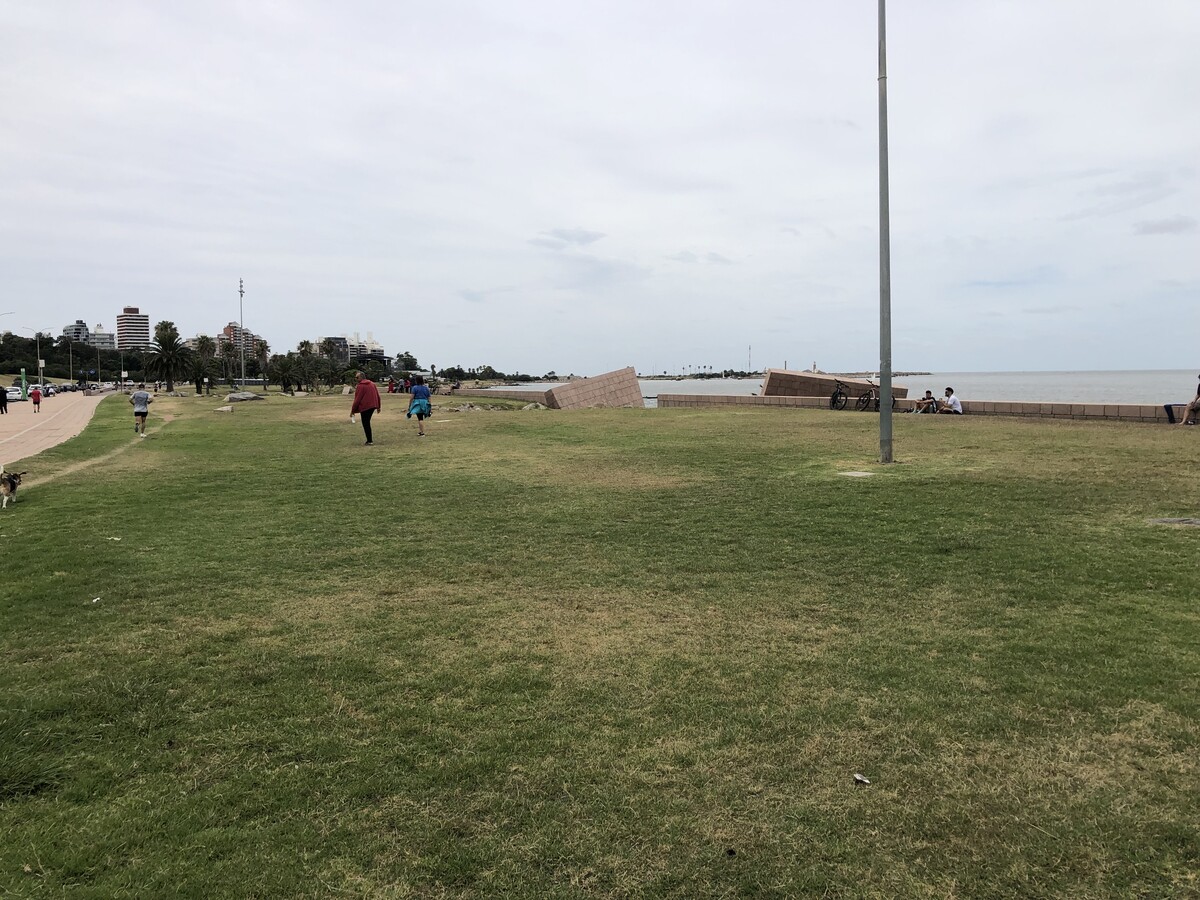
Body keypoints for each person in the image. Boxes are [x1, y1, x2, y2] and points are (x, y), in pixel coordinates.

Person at [350, 370, 381, 445]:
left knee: (366, 423)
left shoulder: (360, 386)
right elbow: (377, 395)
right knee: (367, 422)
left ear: (361, 377)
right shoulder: (372, 384)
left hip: (365, 407)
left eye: (357, 377)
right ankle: (369, 440)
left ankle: (369, 440)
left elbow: (357, 399)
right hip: (373, 406)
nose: (356, 379)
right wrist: (378, 406)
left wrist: (352, 410)